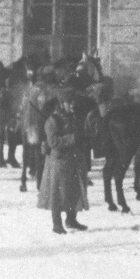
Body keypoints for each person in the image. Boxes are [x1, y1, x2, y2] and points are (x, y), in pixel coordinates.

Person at [42, 100, 90, 234]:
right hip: (60, 162)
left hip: (75, 160)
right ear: (61, 104)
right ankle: (57, 224)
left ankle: (71, 220)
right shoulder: (52, 120)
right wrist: (73, 138)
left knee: (74, 191)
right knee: (58, 194)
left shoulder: (73, 117)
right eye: (69, 103)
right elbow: (53, 142)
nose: (72, 105)